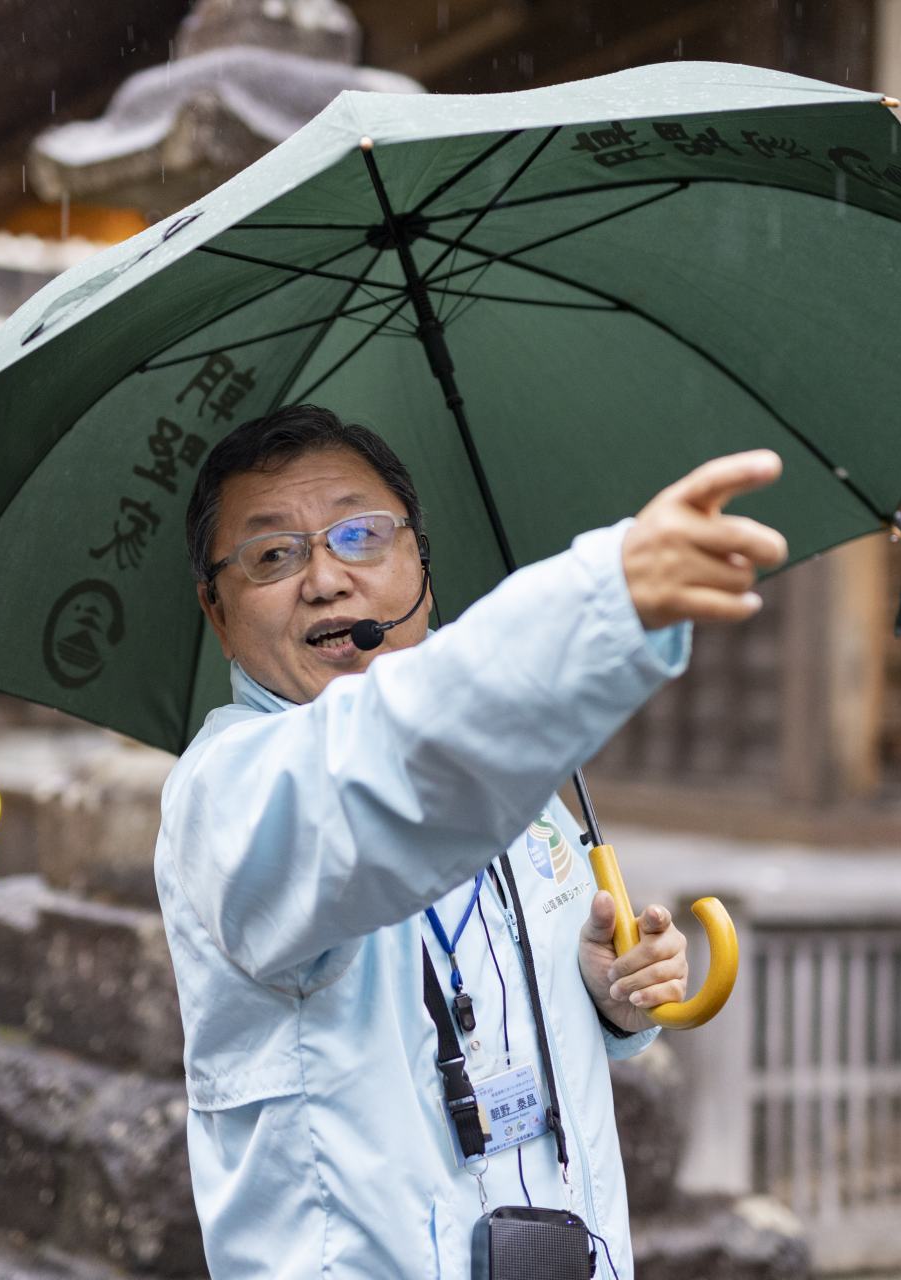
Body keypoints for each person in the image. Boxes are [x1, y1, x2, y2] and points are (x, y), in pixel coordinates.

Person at [154, 403, 786, 1278]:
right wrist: (599, 603)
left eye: (361, 535)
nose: (327, 579)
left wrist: (607, 1000)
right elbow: (380, 781)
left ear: (421, 558)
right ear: (216, 611)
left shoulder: (521, 788)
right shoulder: (231, 794)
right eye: (272, 555)